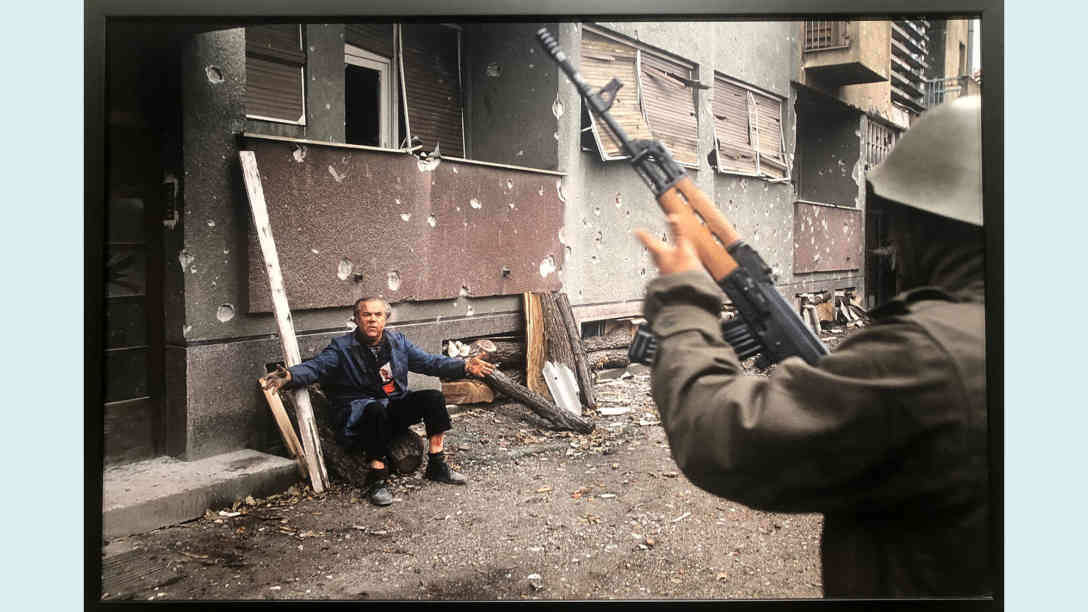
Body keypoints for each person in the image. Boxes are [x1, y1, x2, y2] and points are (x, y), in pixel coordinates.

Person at [632, 96, 988, 597]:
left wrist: (684, 298)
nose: (891, 250)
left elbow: (718, 432)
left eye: (899, 225)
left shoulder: (930, 355)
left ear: (933, 229)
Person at [262, 296, 496, 506]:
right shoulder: (342, 348)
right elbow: (316, 367)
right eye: (366, 315)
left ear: (386, 319)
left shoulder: (398, 342)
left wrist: (464, 365)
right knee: (374, 409)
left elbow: (429, 363)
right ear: (356, 319)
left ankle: (437, 464)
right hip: (359, 415)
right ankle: (378, 477)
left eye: (378, 315)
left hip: (391, 407)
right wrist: (291, 375)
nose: (372, 320)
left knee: (433, 398)